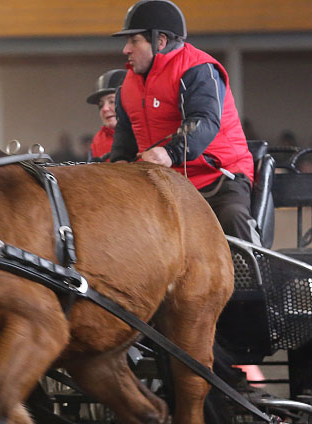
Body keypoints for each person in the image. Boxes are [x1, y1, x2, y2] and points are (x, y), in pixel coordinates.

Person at [109, 0, 257, 242]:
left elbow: (205, 121)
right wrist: (118, 164)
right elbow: (125, 135)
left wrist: (170, 153)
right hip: (161, 181)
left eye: (134, 41)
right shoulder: (127, 85)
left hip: (217, 178)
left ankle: (253, 274)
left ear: (160, 42)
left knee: (233, 215)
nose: (126, 49)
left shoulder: (198, 69)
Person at [86, 69, 127, 162]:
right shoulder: (97, 141)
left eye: (112, 101)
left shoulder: (145, 134)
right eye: (101, 105)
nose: (105, 109)